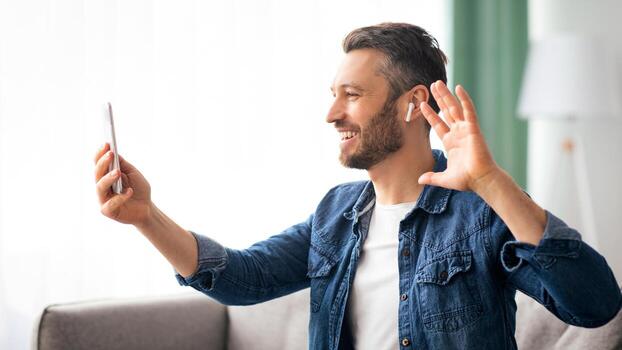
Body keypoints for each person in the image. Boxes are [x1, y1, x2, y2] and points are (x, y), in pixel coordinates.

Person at [93, 23, 621, 350]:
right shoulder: (336, 213)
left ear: (414, 103)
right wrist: (146, 216)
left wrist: (490, 182)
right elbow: (241, 278)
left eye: (351, 94)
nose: (331, 113)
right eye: (332, 94)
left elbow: (594, 304)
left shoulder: (480, 211)